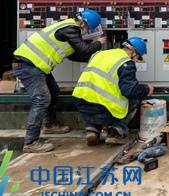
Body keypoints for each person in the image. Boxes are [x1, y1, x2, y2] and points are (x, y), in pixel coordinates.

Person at [13, 9, 106, 153]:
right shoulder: (71, 28)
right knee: (41, 99)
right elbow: (82, 49)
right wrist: (99, 43)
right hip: (28, 65)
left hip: (37, 66)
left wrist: (96, 58)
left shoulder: (67, 29)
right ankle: (31, 142)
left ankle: (50, 125)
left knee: (53, 92)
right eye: (88, 28)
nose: (87, 31)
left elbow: (73, 55)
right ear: (83, 23)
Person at [72, 37, 154, 146]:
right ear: (134, 52)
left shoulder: (100, 54)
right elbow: (130, 91)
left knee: (94, 98)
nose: (135, 60)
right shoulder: (126, 63)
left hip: (81, 103)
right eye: (137, 57)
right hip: (103, 109)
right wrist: (147, 89)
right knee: (136, 97)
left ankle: (92, 129)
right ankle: (116, 132)